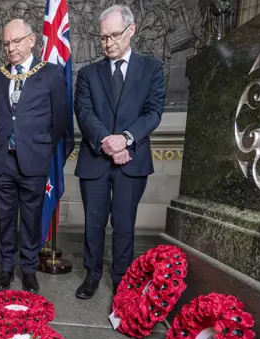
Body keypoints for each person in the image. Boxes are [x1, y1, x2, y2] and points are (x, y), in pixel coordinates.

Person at [73, 5, 165, 300]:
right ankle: (92, 275)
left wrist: (125, 139)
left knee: (124, 223)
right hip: (95, 160)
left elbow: (153, 112)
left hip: (132, 160)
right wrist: (107, 142)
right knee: (94, 222)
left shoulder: (152, 69)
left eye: (114, 35)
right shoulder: (87, 74)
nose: (108, 42)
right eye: (103, 37)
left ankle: (122, 278)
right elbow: (84, 113)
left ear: (131, 30)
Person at [0, 19, 68, 294]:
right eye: (6, 43)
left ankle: (29, 270)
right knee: (6, 220)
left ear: (32, 40)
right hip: (3, 162)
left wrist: (41, 148)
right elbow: (0, 117)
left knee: (31, 220)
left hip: (34, 162)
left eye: (16, 41)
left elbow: (59, 121)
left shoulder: (52, 74)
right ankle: (7, 269)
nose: (11, 48)